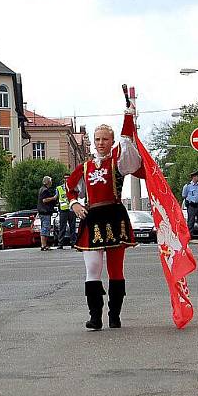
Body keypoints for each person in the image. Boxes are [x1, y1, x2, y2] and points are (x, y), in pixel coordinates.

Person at [65, 109, 142, 330]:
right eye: (97, 139)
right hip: (92, 218)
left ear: (112, 141)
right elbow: (68, 189)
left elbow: (129, 147)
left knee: (116, 270)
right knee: (93, 268)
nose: (100, 143)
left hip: (115, 217)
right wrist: (75, 203)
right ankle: (95, 317)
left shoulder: (118, 163)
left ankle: (114, 315)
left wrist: (128, 118)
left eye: (105, 139)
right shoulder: (85, 167)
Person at [182, 171, 198, 238]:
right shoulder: (187, 186)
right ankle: (190, 234)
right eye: (197, 176)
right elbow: (184, 195)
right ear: (193, 177)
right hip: (191, 205)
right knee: (191, 220)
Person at [55, 174, 76, 249]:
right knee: (62, 227)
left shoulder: (73, 187)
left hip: (71, 209)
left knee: (72, 227)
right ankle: (60, 243)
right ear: (63, 179)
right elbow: (56, 198)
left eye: (68, 178)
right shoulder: (59, 188)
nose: (66, 180)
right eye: (65, 178)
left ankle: (73, 243)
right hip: (63, 210)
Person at [37, 176, 57, 251]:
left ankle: (44, 245)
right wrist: (53, 198)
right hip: (45, 212)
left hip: (43, 212)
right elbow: (44, 200)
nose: (51, 182)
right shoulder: (45, 190)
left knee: (45, 227)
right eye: (51, 181)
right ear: (48, 182)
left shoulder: (42, 189)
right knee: (45, 228)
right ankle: (43, 245)